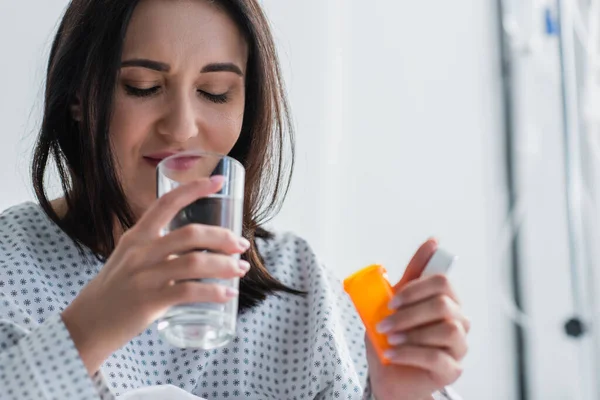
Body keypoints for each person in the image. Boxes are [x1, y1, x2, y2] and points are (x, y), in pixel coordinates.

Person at [0, 0, 469, 399]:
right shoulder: (12, 265)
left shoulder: (302, 287)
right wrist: (86, 331)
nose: (182, 128)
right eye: (142, 87)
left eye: (215, 93)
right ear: (79, 96)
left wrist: (399, 393)